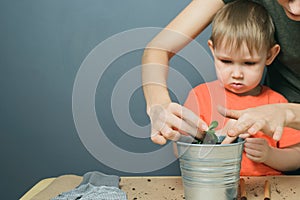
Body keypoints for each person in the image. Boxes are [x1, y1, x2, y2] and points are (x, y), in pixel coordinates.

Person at [142, 0, 300, 145]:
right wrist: (158, 103)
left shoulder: (275, 101)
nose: (296, 8)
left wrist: (287, 112)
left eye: (249, 63)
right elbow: (159, 48)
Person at [182, 0, 300, 176]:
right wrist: (211, 139)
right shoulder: (200, 96)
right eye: (226, 61)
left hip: (266, 189)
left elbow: (296, 157)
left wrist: (270, 155)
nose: (237, 74)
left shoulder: (277, 103)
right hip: (213, 189)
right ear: (213, 51)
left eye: (249, 63)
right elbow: (180, 149)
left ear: (270, 55)